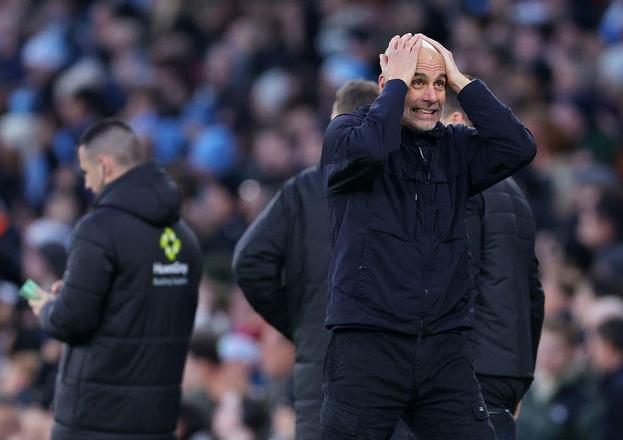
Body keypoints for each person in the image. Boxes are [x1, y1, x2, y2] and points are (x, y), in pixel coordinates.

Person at [319, 33, 536, 439]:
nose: (432, 97)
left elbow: (518, 146)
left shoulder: (454, 146)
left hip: (443, 350)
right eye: (417, 81)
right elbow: (371, 150)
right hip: (368, 347)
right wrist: (397, 85)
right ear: (386, 84)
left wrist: (461, 81)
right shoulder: (345, 133)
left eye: (439, 84)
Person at [234, 79, 416, 439]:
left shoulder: (304, 189)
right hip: (398, 379)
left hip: (323, 373)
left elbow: (250, 262)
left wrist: (299, 323)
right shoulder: (414, 187)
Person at [26, 119, 203, 440]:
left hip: (95, 421)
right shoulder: (185, 238)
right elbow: (137, 306)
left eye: (86, 171)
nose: (87, 184)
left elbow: (70, 321)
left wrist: (48, 308)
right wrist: (80, 292)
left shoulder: (98, 229)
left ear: (105, 166)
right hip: (157, 422)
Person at [466, 174, 545, 439]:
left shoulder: (463, 185)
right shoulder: (514, 190)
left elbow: (459, 283)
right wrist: (523, 371)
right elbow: (534, 294)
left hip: (469, 369)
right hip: (509, 372)